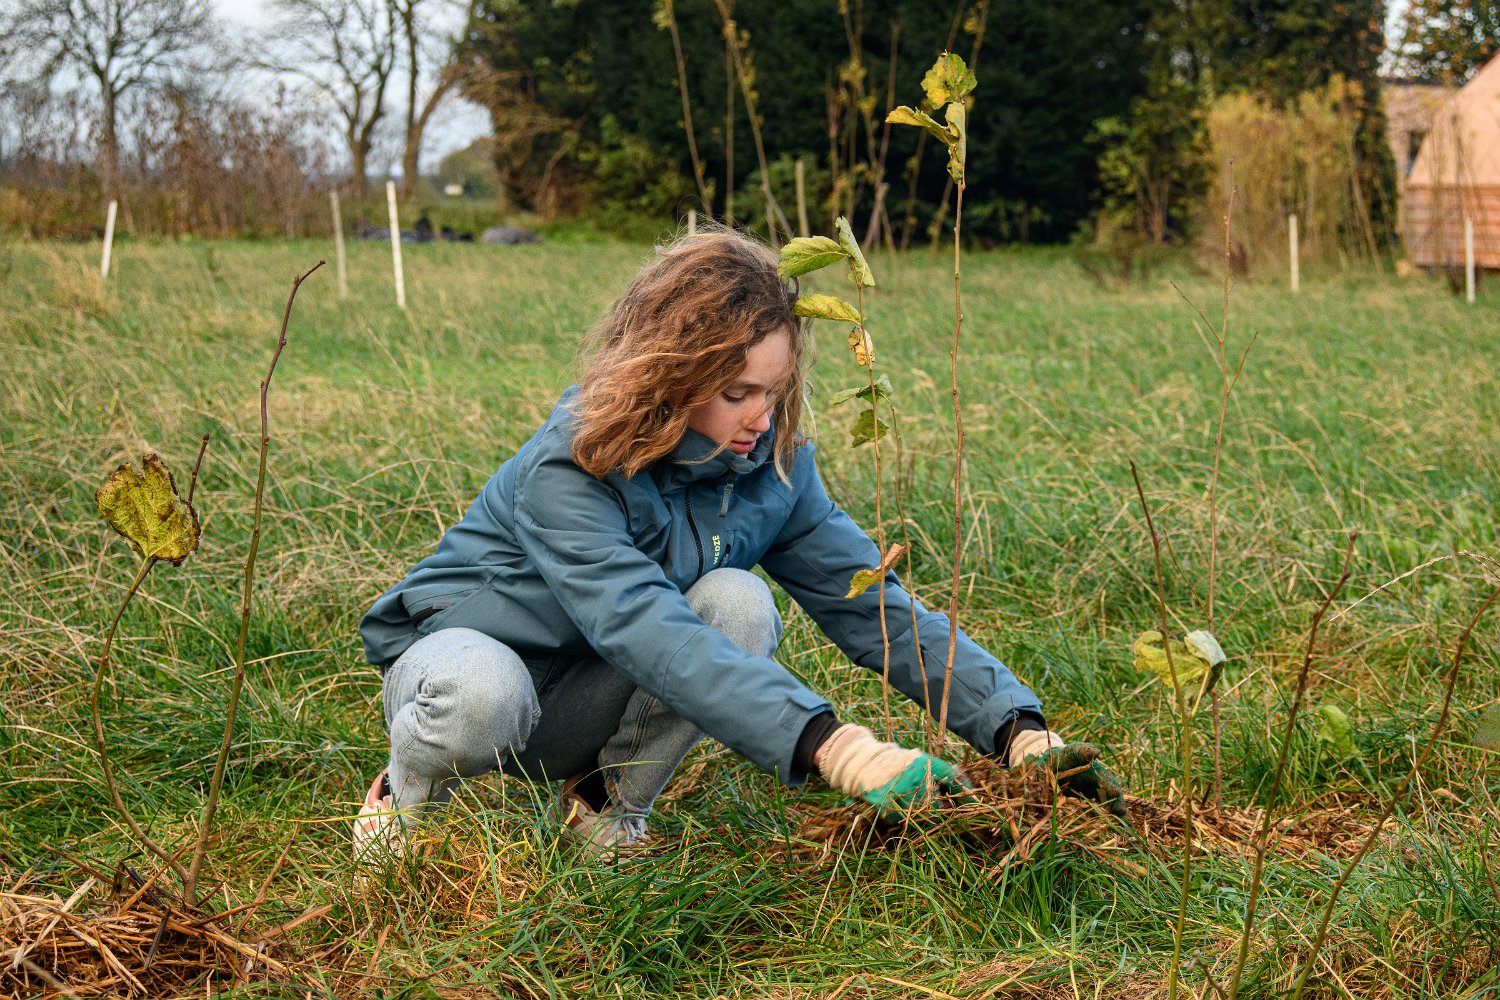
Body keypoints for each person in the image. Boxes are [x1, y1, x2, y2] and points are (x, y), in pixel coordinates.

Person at [354, 228, 1126, 859]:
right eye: (737, 394)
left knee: (739, 603)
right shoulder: (573, 463)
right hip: (465, 671)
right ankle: (404, 804)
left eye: (775, 390)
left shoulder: (771, 469)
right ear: (669, 376)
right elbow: (648, 629)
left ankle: (603, 811)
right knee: (484, 691)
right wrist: (837, 748)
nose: (762, 416)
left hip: (588, 694)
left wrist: (1016, 731)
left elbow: (873, 607)